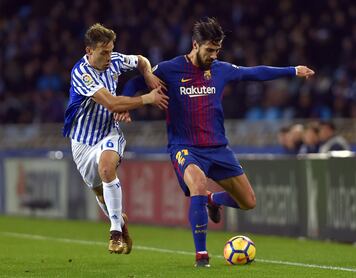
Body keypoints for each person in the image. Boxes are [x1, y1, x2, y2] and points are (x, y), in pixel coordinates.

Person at [122, 17, 314, 267]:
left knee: (248, 202)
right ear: (195, 45)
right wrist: (125, 103)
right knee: (198, 184)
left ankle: (213, 201)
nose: (213, 55)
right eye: (209, 50)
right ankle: (201, 255)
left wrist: (292, 70)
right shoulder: (170, 69)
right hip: (185, 147)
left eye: (217, 50)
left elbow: (254, 73)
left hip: (218, 147)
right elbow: (135, 82)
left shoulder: (221, 69)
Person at [62, 23, 168, 255]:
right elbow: (111, 103)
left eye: (111, 50)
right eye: (104, 52)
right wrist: (146, 99)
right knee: (100, 192)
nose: (110, 56)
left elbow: (141, 60)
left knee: (107, 168)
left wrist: (147, 73)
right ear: (89, 51)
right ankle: (121, 222)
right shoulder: (82, 73)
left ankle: (115, 234)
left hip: (108, 132)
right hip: (82, 141)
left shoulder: (115, 59)